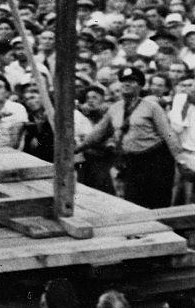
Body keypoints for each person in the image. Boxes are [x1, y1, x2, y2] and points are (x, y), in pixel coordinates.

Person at [75, 66, 180, 208]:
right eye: (124, 81)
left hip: (155, 160)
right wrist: (77, 149)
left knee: (157, 202)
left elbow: (168, 134)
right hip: (132, 161)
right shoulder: (115, 108)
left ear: (141, 86)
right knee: (133, 201)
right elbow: (98, 133)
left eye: (132, 81)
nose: (127, 84)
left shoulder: (152, 107)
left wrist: (180, 160)